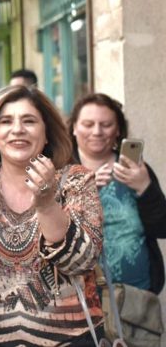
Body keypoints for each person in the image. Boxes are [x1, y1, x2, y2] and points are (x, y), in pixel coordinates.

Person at [0, 85, 104, 346]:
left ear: (47, 133)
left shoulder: (76, 181)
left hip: (69, 340)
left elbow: (81, 263)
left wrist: (47, 205)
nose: (17, 129)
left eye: (29, 121)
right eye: (6, 121)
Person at [69, 93, 166, 295]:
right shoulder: (61, 170)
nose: (97, 131)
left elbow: (162, 228)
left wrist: (145, 187)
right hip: (77, 298)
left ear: (118, 129)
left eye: (106, 125)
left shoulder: (136, 170)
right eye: (88, 124)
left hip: (137, 295)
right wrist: (83, 191)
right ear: (74, 128)